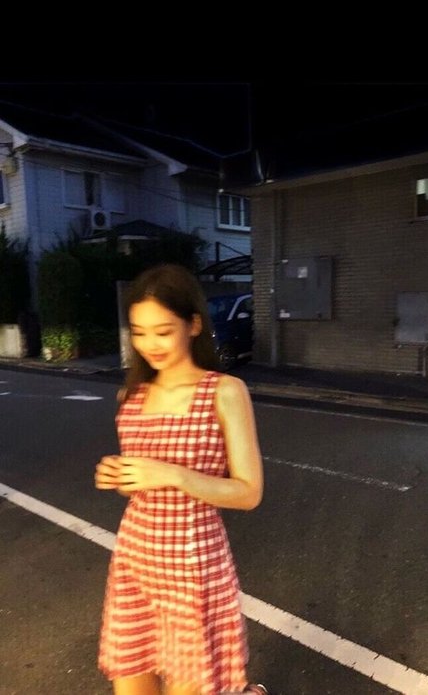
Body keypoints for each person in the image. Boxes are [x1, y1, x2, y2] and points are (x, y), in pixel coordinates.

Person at [95, 263, 269, 695]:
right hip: (135, 560)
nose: (148, 344)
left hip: (194, 566)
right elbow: (137, 486)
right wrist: (120, 476)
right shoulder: (131, 395)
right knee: (131, 679)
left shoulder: (224, 391)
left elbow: (248, 492)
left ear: (193, 325)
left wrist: (170, 473)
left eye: (162, 331)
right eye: (139, 332)